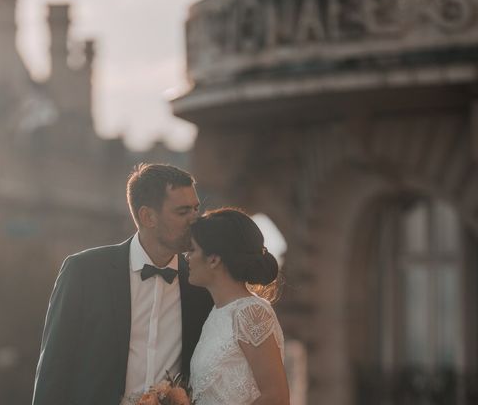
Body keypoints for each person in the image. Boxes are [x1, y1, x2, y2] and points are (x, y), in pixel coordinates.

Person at [32, 163, 213, 405]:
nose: (195, 220)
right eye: (182, 212)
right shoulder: (84, 271)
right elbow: (54, 369)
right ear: (147, 216)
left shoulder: (201, 284)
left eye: (196, 209)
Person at [186, 208, 289, 405]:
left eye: (192, 250)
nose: (186, 257)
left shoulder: (251, 312)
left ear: (214, 259)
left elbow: (277, 397)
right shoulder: (216, 314)